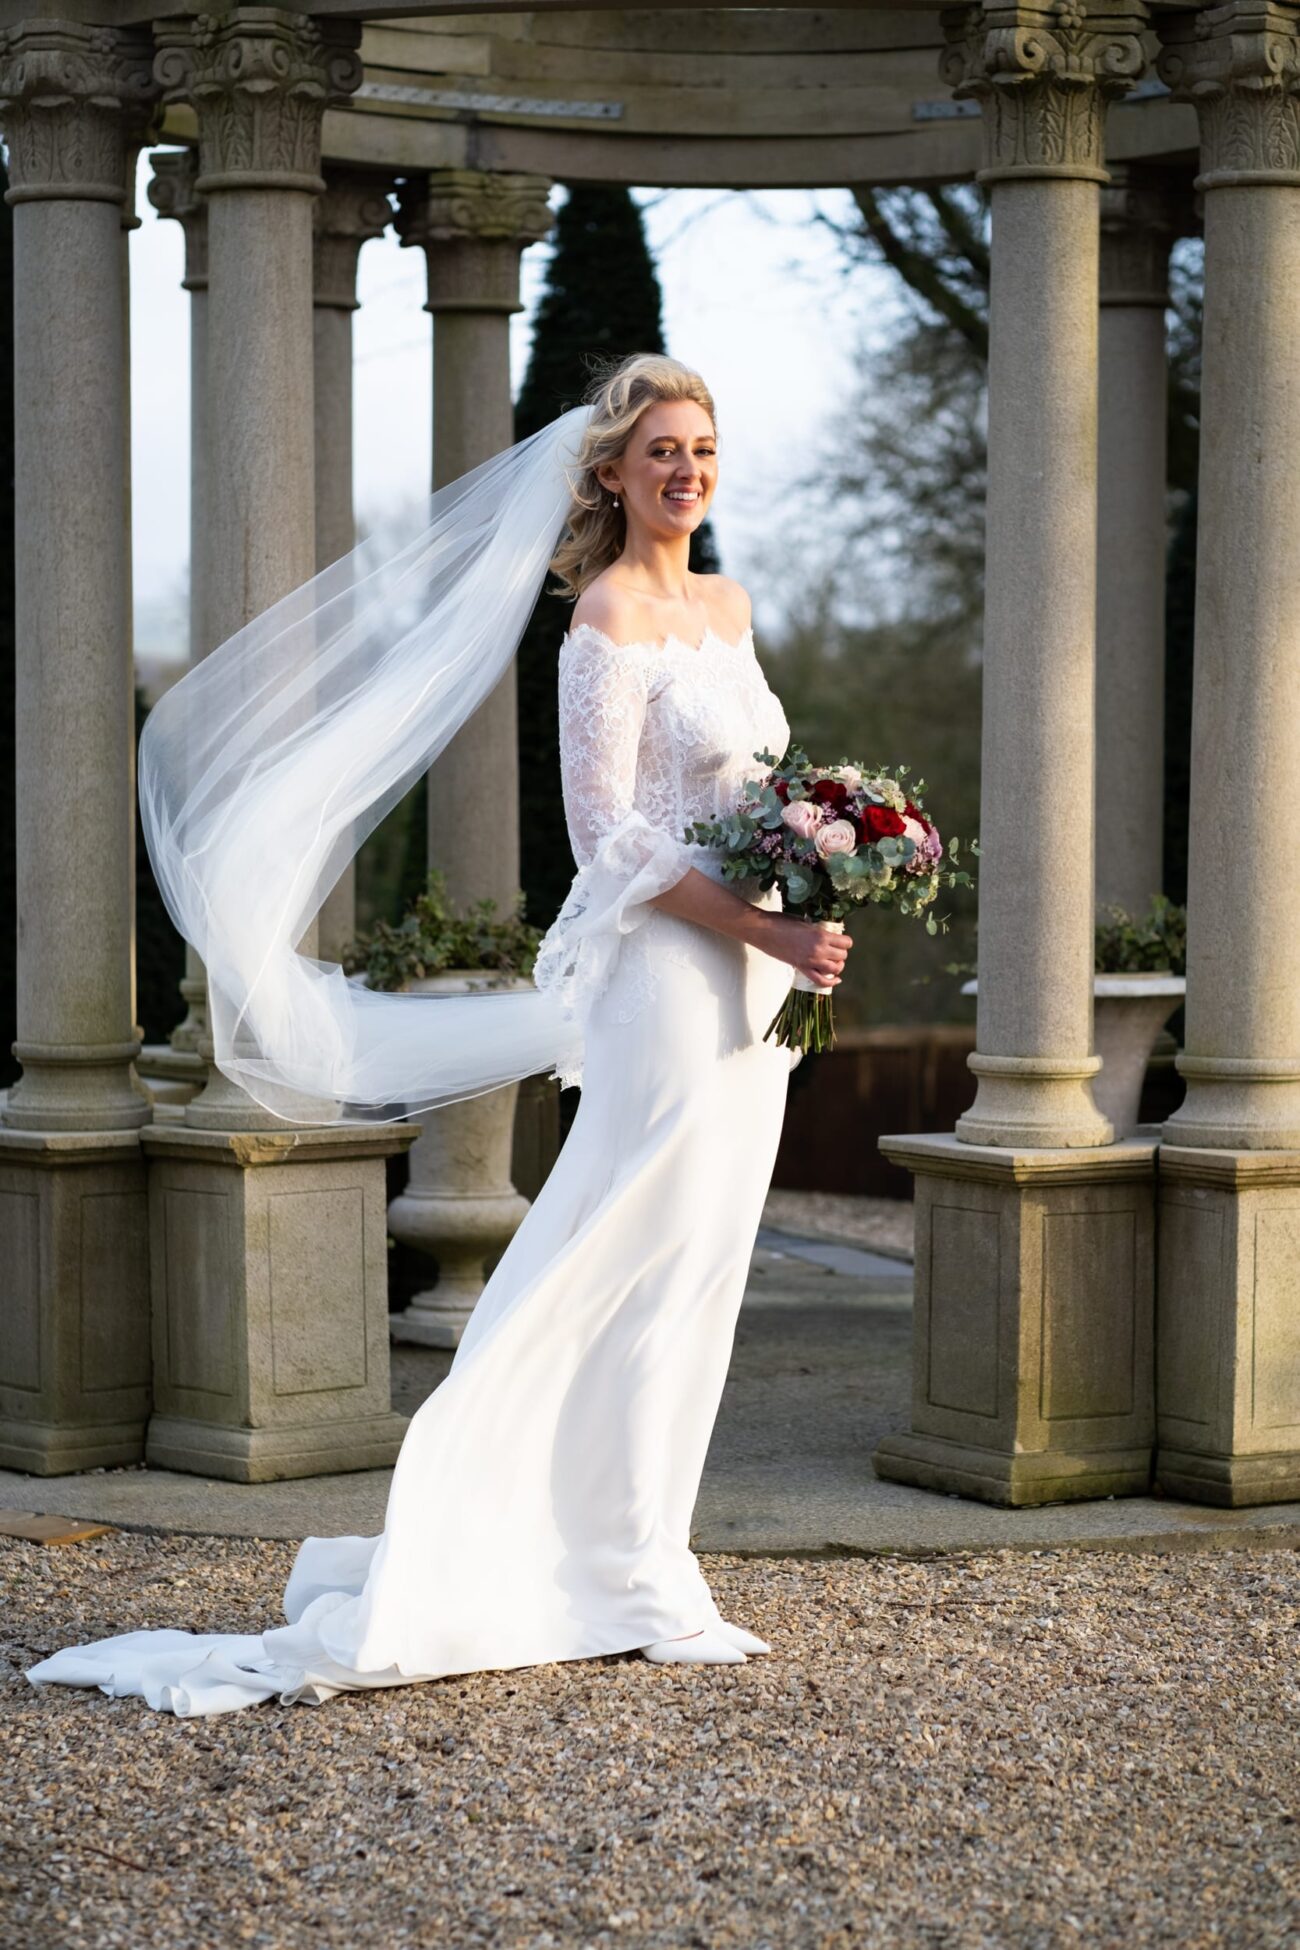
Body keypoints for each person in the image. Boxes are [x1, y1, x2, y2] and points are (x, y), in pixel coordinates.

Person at [27, 353, 851, 1717]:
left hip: (753, 991)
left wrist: (819, 872)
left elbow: (755, 787)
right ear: (611, 473)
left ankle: (644, 1556)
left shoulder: (729, 600)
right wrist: (764, 927)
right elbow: (614, 839)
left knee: (698, 1268)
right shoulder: (602, 619)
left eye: (701, 448)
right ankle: (550, 1548)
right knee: (612, 1250)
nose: (685, 470)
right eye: (660, 451)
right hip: (668, 976)